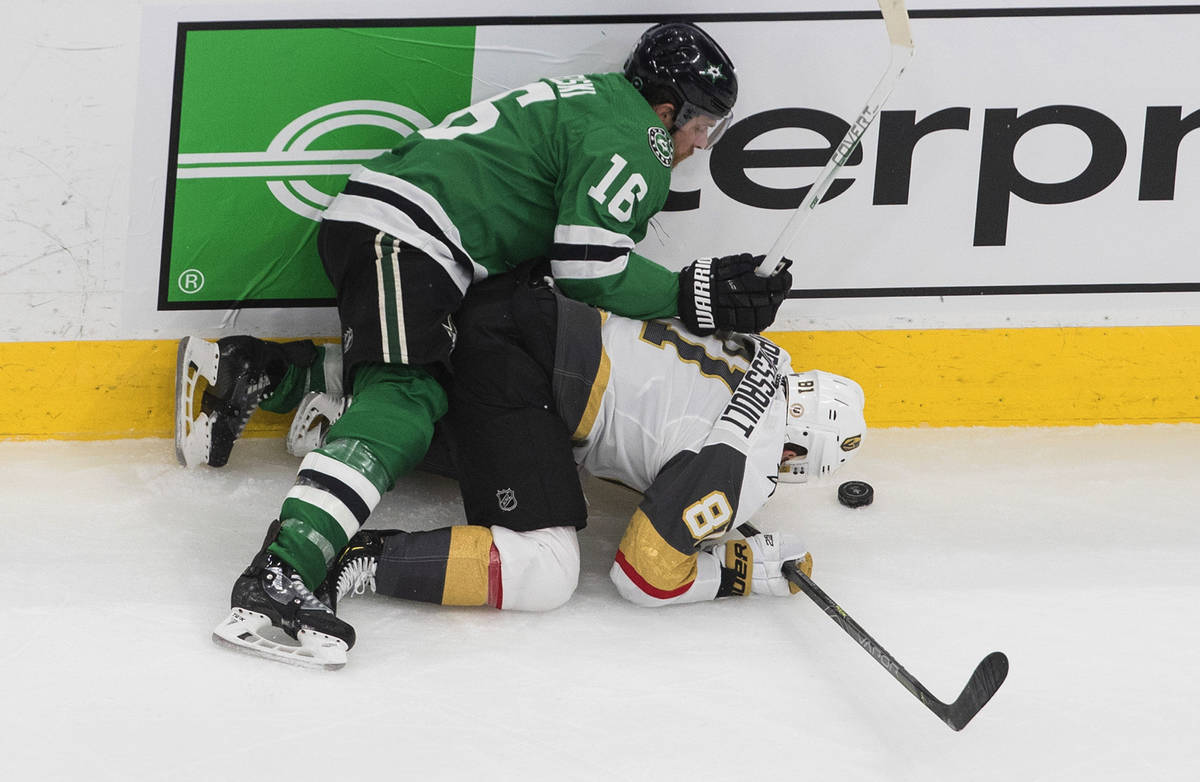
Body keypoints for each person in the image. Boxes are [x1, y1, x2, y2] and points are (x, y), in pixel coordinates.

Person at [188, 22, 796, 667]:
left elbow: (551, 250)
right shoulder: (635, 137)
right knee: (407, 395)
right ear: (669, 111)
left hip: (407, 232)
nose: (701, 144)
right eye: (703, 126)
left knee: (433, 372)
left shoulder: (598, 101)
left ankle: (259, 371)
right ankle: (280, 573)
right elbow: (588, 268)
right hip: (410, 236)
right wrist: (692, 291)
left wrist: (692, 290)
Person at [193, 269, 865, 668]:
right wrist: (739, 574)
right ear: (799, 454)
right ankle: (353, 559)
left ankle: (267, 375)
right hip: (527, 377)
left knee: (445, 415)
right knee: (547, 570)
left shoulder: (768, 355)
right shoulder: (748, 462)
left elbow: (686, 428)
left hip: (515, 312)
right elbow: (644, 573)